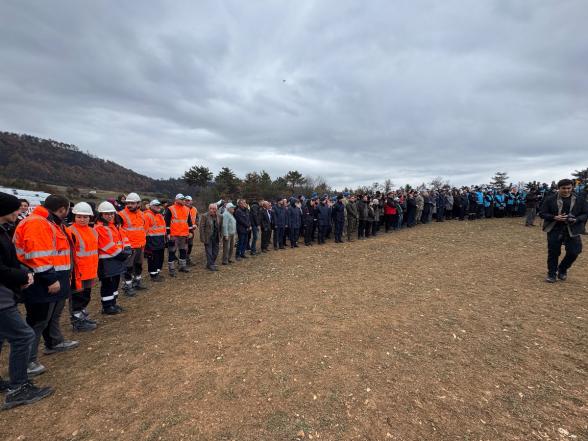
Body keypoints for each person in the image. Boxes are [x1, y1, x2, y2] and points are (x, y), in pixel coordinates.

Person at [13, 194, 79, 376]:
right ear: (63, 209)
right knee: (38, 320)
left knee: (53, 315)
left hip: (56, 277)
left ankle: (54, 341)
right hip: (42, 281)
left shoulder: (51, 222)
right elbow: (38, 255)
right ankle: (28, 361)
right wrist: (51, 278)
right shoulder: (37, 223)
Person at [0, 192, 55, 410]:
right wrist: (22, 276)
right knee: (23, 336)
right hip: (2, 298)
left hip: (7, 291)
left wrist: (24, 272)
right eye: (16, 209)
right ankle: (18, 388)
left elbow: (11, 260)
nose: (19, 212)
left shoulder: (4, 231)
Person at [540, 179, 588, 283]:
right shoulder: (550, 199)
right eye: (563, 188)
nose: (566, 190)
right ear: (558, 188)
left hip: (573, 228)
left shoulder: (580, 199)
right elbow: (542, 213)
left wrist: (577, 219)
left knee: (574, 251)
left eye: (569, 188)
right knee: (553, 252)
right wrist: (554, 217)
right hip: (555, 228)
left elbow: (585, 213)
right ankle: (552, 274)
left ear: (572, 188)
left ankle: (562, 269)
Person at [95, 201, 131, 314]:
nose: (109, 216)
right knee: (108, 284)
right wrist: (122, 254)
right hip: (107, 261)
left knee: (115, 282)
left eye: (111, 213)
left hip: (116, 259)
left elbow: (123, 239)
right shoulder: (99, 228)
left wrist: (127, 249)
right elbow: (106, 245)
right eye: (106, 214)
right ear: (101, 215)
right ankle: (107, 306)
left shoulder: (115, 226)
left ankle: (113, 303)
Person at [67, 202, 99, 332]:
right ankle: (77, 322)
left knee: (86, 296)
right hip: (77, 272)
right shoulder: (70, 231)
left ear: (90, 217)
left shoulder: (92, 231)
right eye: (79, 216)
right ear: (74, 216)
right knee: (77, 298)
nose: (82, 219)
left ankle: (83, 318)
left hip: (90, 270)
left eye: (85, 217)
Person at [118, 192, 147, 296]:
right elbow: (117, 231)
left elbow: (144, 228)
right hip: (128, 246)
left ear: (138, 204)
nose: (129, 205)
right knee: (128, 267)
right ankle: (127, 286)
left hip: (140, 245)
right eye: (128, 203)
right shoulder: (121, 215)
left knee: (138, 265)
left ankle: (137, 282)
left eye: (132, 203)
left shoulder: (142, 214)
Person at [165, 194, 192, 276]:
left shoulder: (187, 209)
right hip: (174, 234)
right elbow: (167, 222)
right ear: (176, 200)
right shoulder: (170, 209)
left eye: (184, 199)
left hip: (184, 234)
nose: (183, 200)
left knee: (183, 251)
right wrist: (168, 233)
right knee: (172, 251)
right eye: (181, 199)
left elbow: (189, 222)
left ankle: (182, 266)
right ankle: (171, 269)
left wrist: (190, 231)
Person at [143, 200, 166, 282]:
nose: (158, 207)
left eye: (159, 205)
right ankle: (153, 275)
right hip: (151, 241)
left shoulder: (160, 216)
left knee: (160, 258)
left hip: (160, 240)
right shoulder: (147, 215)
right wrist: (146, 244)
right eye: (156, 205)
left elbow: (163, 229)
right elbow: (144, 231)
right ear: (151, 206)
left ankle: (157, 273)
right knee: (153, 259)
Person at [199, 203, 222, 271]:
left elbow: (221, 227)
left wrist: (221, 236)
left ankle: (209, 263)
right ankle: (211, 265)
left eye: (214, 209)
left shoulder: (220, 216)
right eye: (210, 208)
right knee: (209, 252)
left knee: (215, 252)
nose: (212, 210)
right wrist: (202, 238)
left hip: (216, 237)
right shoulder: (204, 216)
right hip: (207, 237)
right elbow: (201, 227)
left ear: (216, 209)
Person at [184, 196, 198, 266]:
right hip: (183, 230)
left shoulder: (195, 209)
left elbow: (197, 217)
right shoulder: (182, 209)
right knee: (183, 246)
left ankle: (187, 258)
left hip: (191, 230)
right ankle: (182, 260)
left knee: (190, 245)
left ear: (191, 201)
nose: (187, 202)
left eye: (189, 200)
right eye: (186, 200)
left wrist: (196, 224)